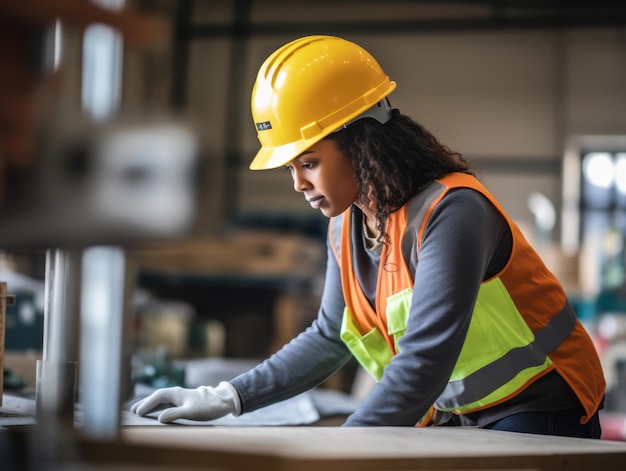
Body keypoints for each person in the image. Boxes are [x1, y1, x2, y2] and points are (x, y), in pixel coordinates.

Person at [131, 35, 606, 437]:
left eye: (310, 162)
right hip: (454, 415)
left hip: (541, 405)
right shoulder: (346, 223)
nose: (298, 184)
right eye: (292, 168)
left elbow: (424, 360)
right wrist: (227, 396)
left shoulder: (455, 212)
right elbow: (328, 337)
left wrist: (346, 448)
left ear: (362, 142)